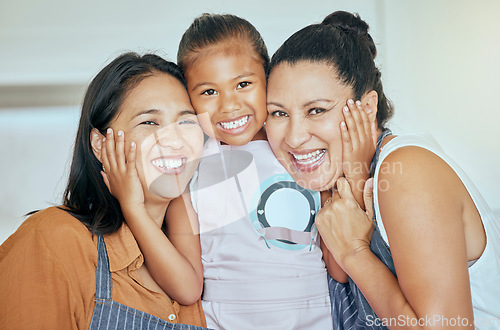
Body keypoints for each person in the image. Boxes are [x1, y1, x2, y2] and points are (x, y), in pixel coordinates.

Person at [124, 13, 373, 329]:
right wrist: (134, 211)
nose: (229, 105)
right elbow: (188, 288)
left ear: (267, 79)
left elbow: (338, 271)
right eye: (208, 92)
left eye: (243, 84)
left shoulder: (299, 152)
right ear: (188, 97)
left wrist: (355, 175)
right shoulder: (190, 168)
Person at [265, 10, 500, 329]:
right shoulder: (341, 175)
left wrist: (354, 252)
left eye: (317, 110)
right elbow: (340, 276)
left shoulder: (406, 172)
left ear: (367, 106)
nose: (293, 136)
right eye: (278, 113)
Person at [0, 52, 208, 329]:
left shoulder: (206, 252)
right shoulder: (54, 238)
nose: (175, 140)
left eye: (186, 121)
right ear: (99, 144)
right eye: (149, 122)